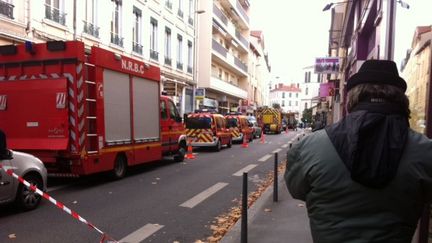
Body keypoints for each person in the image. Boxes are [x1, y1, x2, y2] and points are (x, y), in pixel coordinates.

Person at [284, 60, 432, 243]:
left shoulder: (310, 147)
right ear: (402, 101)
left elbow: (297, 189)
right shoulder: (425, 151)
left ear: (351, 100)